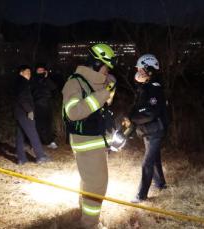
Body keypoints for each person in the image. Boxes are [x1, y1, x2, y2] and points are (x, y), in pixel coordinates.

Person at [62, 43, 117, 228]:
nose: (107, 71)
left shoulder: (97, 83)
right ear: (95, 64)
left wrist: (108, 87)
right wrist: (101, 95)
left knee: (89, 180)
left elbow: (104, 100)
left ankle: (85, 212)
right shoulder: (74, 82)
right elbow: (73, 112)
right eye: (105, 66)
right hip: (87, 143)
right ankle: (90, 224)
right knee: (97, 185)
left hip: (96, 142)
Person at [124, 54, 168, 203]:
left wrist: (133, 119)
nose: (139, 72)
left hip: (155, 129)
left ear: (149, 69)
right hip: (148, 129)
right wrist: (130, 117)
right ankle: (160, 184)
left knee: (147, 162)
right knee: (154, 158)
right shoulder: (146, 86)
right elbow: (138, 106)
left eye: (142, 69)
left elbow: (150, 112)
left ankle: (141, 195)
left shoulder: (155, 88)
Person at [14, 65, 49, 165]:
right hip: (25, 112)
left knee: (20, 135)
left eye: (30, 72)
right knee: (33, 133)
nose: (29, 74)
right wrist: (29, 110)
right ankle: (40, 156)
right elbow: (22, 98)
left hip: (19, 113)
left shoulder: (20, 82)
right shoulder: (22, 83)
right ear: (21, 73)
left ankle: (21, 159)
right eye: (27, 72)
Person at [31, 64, 58, 149]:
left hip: (47, 105)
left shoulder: (47, 80)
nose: (40, 72)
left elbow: (54, 88)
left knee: (48, 125)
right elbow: (30, 92)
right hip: (37, 105)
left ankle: (50, 141)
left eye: (42, 70)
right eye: (39, 70)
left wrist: (46, 78)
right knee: (37, 125)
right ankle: (36, 143)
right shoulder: (33, 80)